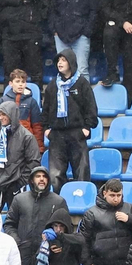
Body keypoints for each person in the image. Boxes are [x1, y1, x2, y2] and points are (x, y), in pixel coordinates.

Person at [43, 49, 96, 189]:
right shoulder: (52, 85)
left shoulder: (82, 83)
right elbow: (46, 109)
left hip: (77, 133)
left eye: (63, 60)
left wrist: (86, 128)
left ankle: (81, 204)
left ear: (71, 63)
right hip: (57, 135)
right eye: (58, 60)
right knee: (55, 176)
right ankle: (59, 204)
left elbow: (90, 107)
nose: (60, 63)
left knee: (82, 173)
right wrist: (47, 129)